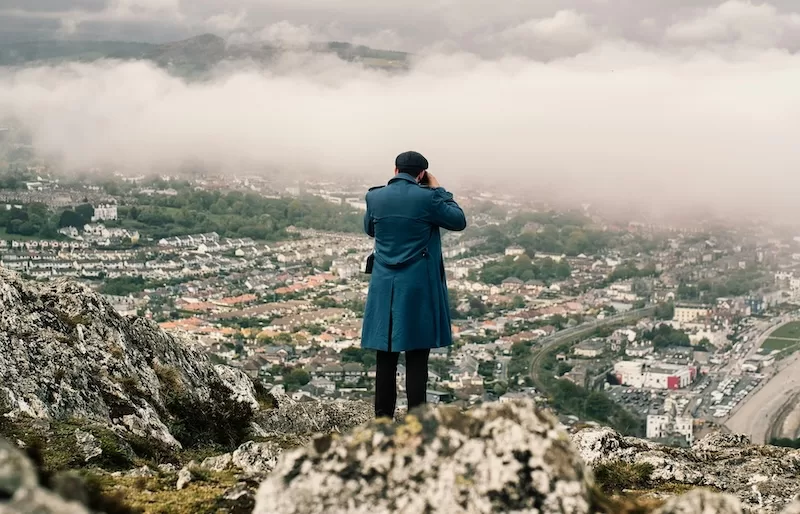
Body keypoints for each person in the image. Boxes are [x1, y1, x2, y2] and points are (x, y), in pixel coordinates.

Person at [361, 151, 467, 419]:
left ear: (395, 170)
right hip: (418, 286)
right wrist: (438, 188)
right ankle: (416, 420)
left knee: (385, 356)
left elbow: (371, 229)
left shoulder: (374, 196)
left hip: (384, 285)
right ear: (421, 174)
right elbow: (458, 220)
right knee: (417, 357)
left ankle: (382, 419)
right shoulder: (428, 198)